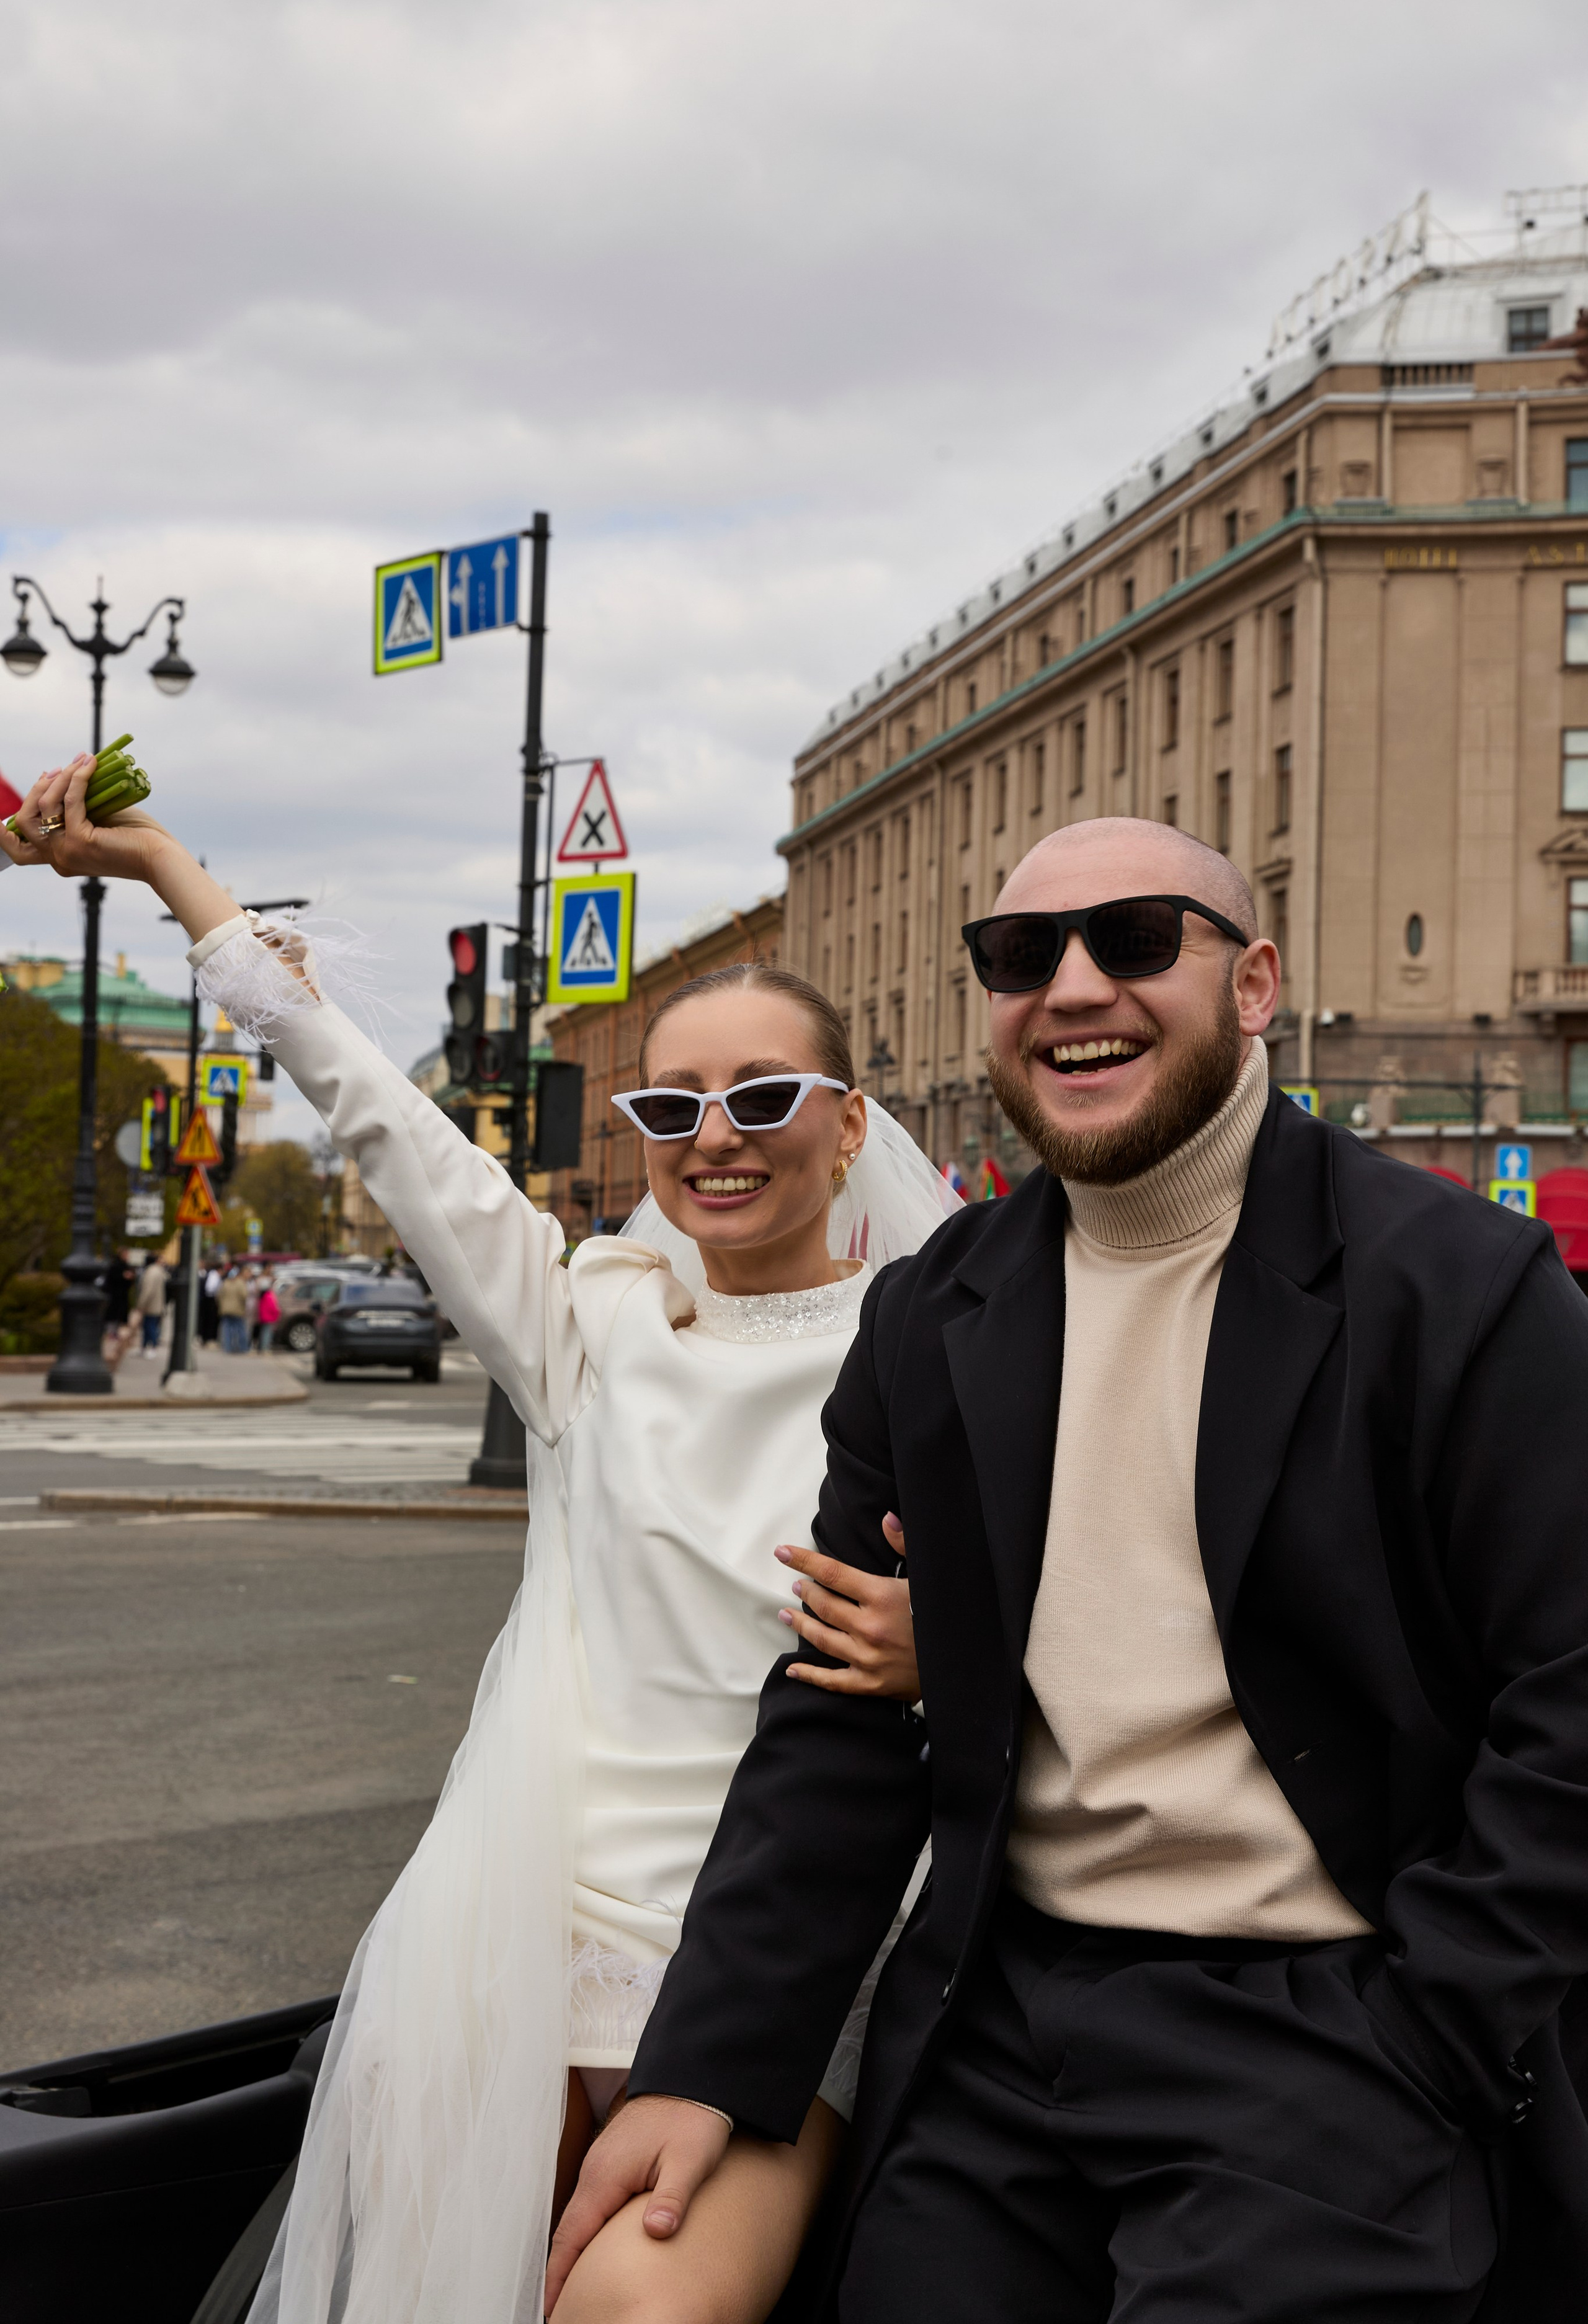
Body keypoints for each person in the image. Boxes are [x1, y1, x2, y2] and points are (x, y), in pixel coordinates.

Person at [556, 814, 1588, 2324]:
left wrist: (1434, 2028)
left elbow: (1565, 1706)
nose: (1074, 985)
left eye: (1137, 938)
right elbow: (836, 1723)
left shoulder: (1453, 1285)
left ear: (1252, 984)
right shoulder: (933, 1312)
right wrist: (703, 2065)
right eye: (1020, 953)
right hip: (1001, 2022)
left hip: (1329, 2030)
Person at [0, 754, 958, 2324]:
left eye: (763, 1096)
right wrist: (163, 863)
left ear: (848, 1124)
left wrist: (950, 1647)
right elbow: (378, 1115)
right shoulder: (587, 1321)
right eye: (670, 1104)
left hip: (780, 1956)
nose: (714, 1136)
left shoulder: (943, 1349)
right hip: (523, 1933)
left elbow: (1108, 1601)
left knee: (637, 2309)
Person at [100, 1246, 134, 1362]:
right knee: (113, 1314)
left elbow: (131, 1280)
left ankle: (116, 1332)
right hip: (115, 1295)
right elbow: (111, 1279)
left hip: (122, 1295)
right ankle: (111, 1333)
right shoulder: (115, 1266)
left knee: (120, 1314)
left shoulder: (126, 1266)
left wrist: (129, 1278)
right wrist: (123, 1276)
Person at [133, 1252, 167, 1352]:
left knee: (150, 1326)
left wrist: (141, 1304)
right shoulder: (158, 1271)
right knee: (149, 1325)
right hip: (155, 1304)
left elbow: (147, 1290)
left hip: (151, 1305)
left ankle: (152, 1347)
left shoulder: (151, 1272)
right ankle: (144, 1347)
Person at [218, 1267, 249, 1353]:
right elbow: (244, 1296)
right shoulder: (240, 1283)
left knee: (227, 1330)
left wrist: (222, 1306)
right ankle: (243, 1348)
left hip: (226, 1310)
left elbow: (219, 1296)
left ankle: (228, 1348)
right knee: (240, 1329)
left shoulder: (225, 1283)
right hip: (237, 1310)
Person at [256, 1273, 280, 1350]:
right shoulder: (269, 1296)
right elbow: (273, 1307)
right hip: (269, 1317)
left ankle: (262, 1347)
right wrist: (277, 1313)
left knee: (264, 1332)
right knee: (267, 1333)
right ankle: (265, 1348)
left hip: (264, 1317)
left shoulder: (262, 1297)